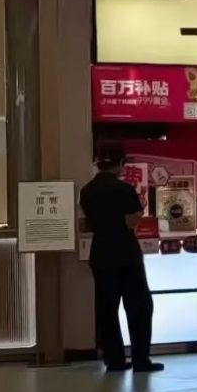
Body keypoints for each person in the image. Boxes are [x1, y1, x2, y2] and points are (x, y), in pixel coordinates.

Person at [79, 143, 163, 373]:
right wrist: (140, 211)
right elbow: (130, 221)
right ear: (120, 164)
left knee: (107, 308)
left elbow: (84, 225)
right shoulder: (124, 189)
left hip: (100, 252)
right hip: (125, 253)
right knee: (139, 307)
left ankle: (114, 360)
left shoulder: (87, 191)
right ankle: (140, 359)